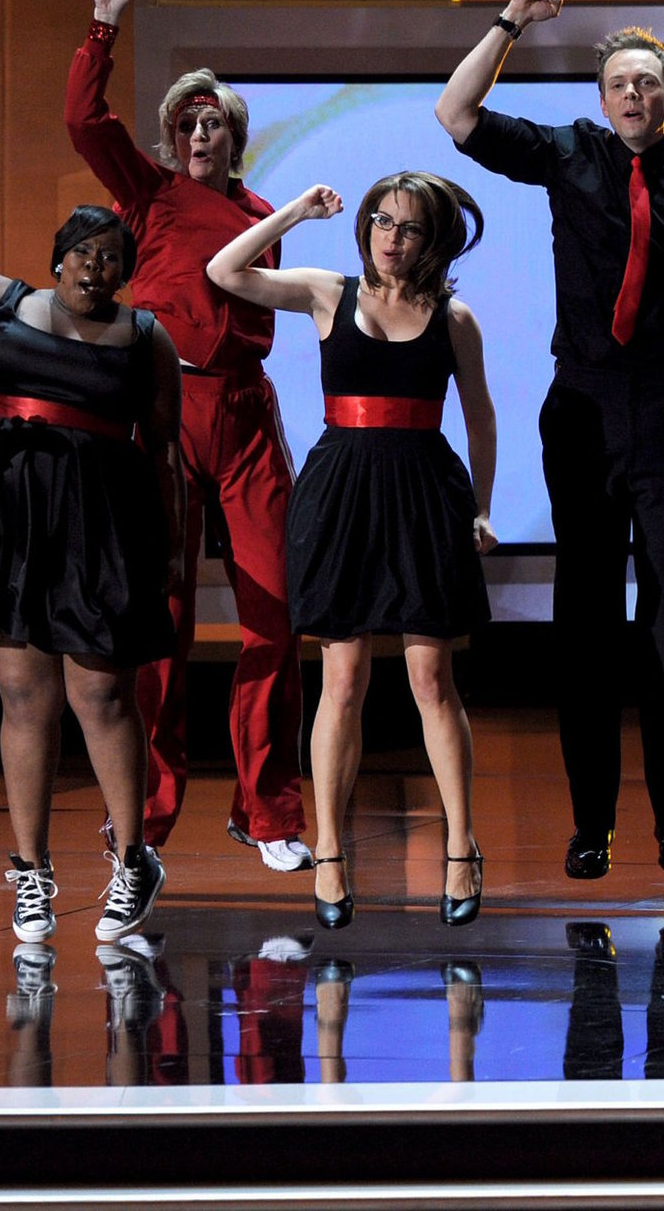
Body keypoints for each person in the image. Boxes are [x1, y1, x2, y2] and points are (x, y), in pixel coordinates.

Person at [437, 0, 664, 881]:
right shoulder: (567, 154)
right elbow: (456, 114)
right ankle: (591, 827)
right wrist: (511, 21)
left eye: (648, 83)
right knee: (584, 623)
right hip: (579, 410)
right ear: (600, 96)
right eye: (619, 82)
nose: (632, 95)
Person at [206, 173, 498, 929]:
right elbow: (225, 271)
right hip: (342, 492)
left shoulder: (452, 317)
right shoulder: (327, 292)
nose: (391, 239)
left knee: (432, 679)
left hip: (424, 491)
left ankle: (460, 846)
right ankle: (330, 854)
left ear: (433, 241)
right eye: (381, 222)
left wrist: (484, 508)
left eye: (407, 228)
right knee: (341, 680)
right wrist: (297, 212)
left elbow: (481, 420)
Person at [68, 0, 311, 872]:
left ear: (235, 137)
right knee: (158, 623)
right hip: (165, 413)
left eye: (213, 123)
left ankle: (270, 811)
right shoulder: (148, 195)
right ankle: (149, 817)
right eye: (186, 123)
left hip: (243, 413)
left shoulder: (258, 216)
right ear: (171, 138)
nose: (199, 134)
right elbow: (86, 125)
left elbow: (250, 302)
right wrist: (104, 28)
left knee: (272, 617)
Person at [0, 207, 179, 943]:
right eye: (83, 253)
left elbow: (166, 450)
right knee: (23, 696)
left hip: (103, 524)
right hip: (13, 519)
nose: (94, 267)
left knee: (102, 693)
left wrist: (171, 546)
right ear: (58, 260)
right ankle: (30, 871)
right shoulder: (10, 303)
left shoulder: (145, 337)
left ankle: (134, 860)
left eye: (111, 258)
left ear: (126, 271)